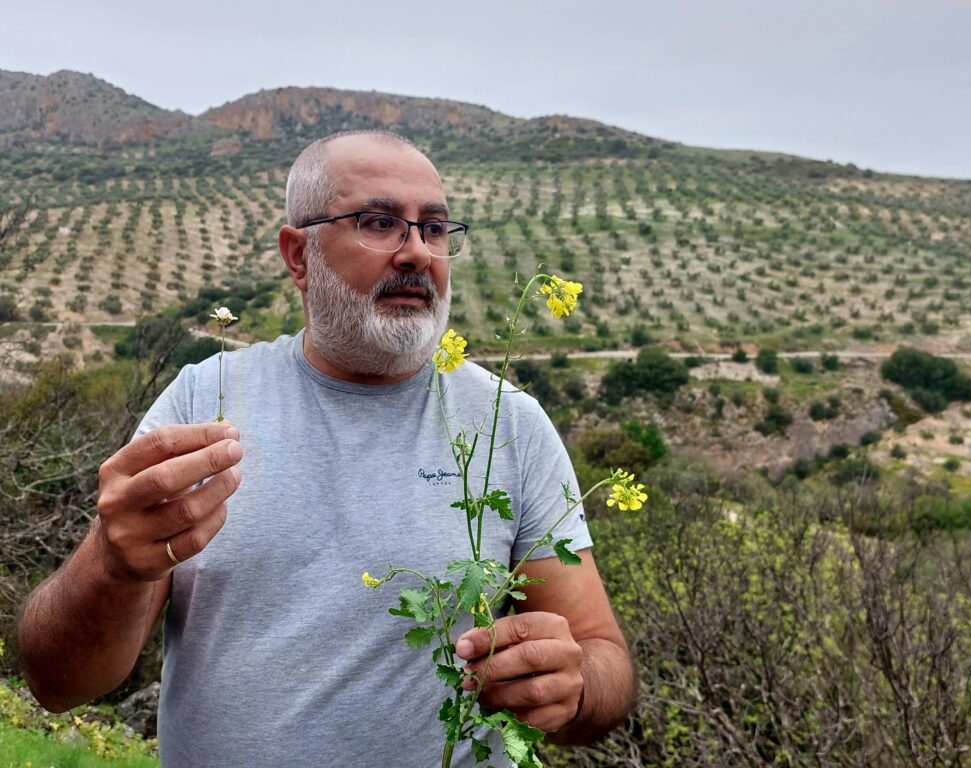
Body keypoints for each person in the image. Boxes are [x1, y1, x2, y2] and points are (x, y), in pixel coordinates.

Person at [17, 131, 634, 767]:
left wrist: (575, 684)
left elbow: (602, 657)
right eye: (380, 222)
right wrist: (112, 564)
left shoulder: (510, 423)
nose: (417, 252)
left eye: (435, 229)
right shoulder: (206, 402)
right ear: (299, 256)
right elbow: (60, 684)